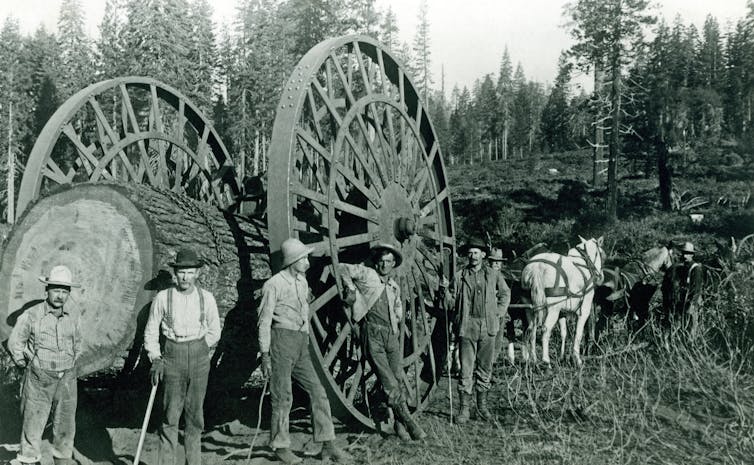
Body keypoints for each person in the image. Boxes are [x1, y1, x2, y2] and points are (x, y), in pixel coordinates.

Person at [257, 238, 351, 464]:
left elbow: (304, 312)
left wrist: (306, 337)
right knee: (282, 396)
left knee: (318, 391)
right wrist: (265, 354)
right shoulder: (273, 285)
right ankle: (280, 446)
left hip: (300, 343)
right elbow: (263, 321)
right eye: (304, 259)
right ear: (293, 261)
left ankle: (327, 443)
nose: (307, 262)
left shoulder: (301, 282)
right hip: (281, 341)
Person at [338, 243, 427, 441]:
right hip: (372, 333)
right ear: (376, 262)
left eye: (388, 262)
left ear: (394, 264)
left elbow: (397, 310)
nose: (384, 265)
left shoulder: (394, 286)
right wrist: (350, 288)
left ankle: (398, 424)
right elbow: (342, 267)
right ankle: (410, 423)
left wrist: (402, 318)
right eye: (381, 261)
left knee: (397, 377)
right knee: (388, 381)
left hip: (391, 336)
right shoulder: (367, 275)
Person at [144, 248, 221, 465]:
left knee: (195, 416)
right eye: (181, 273)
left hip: (199, 355)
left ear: (197, 273)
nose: (185, 277)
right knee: (170, 415)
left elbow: (215, 329)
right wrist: (156, 358)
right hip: (172, 355)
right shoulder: (163, 297)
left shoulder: (207, 298)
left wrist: (199, 348)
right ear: (175, 274)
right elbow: (151, 331)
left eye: (189, 272)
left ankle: (193, 461)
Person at [8, 265, 82, 465]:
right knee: (32, 428)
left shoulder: (73, 317)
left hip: (66, 379)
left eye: (64, 291)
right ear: (46, 290)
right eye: (56, 290)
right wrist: (26, 364)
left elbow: (79, 344)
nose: (60, 296)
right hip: (39, 379)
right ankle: (28, 460)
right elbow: (15, 343)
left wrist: (71, 364)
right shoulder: (31, 315)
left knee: (65, 429)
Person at [442, 239, 511, 423]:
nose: (473, 256)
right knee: (466, 369)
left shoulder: (493, 275)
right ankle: (464, 410)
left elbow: (505, 293)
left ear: (483, 255)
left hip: (488, 327)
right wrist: (445, 292)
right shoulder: (460, 276)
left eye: (476, 253)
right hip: (467, 325)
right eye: (470, 253)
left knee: (485, 369)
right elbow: (450, 303)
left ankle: (482, 408)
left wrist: (498, 313)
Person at [661, 241, 703, 335]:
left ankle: (690, 346)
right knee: (680, 327)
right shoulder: (683, 268)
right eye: (683, 253)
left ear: (692, 255)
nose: (684, 256)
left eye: (687, 254)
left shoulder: (695, 269)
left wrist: (691, 304)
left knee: (690, 328)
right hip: (683, 302)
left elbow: (696, 289)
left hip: (691, 303)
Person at [486, 247, 514, 371]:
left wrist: (500, 312)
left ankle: (490, 366)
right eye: (494, 261)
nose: (497, 264)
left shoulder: (502, 277)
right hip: (481, 313)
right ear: (489, 262)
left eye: (499, 261)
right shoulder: (484, 273)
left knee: (497, 340)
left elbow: (506, 294)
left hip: (497, 314)